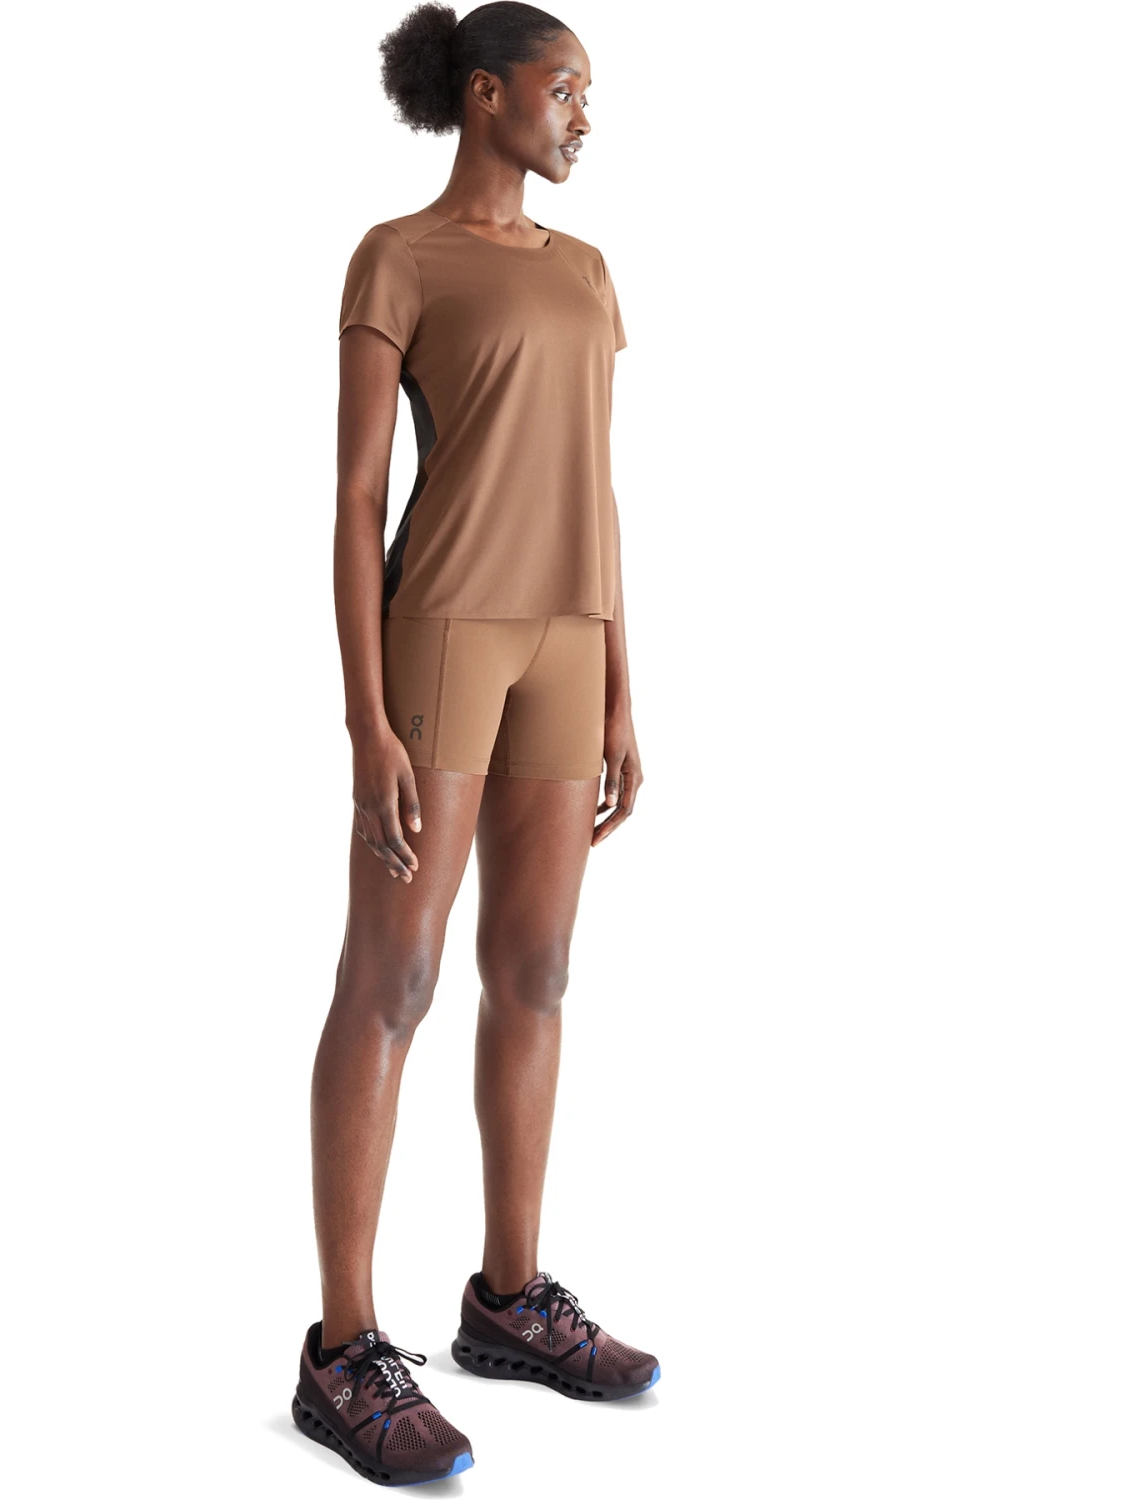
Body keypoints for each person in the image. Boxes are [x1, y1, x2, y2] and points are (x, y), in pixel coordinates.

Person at [292, 3, 658, 1484]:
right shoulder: (399, 257)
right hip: (444, 632)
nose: (585, 117)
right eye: (568, 90)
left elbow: (598, 484)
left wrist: (623, 682)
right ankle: (342, 1350)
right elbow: (353, 498)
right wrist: (365, 716)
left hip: (567, 635)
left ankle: (509, 1302)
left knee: (537, 970)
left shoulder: (586, 270)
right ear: (489, 94)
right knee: (394, 977)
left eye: (590, 95)